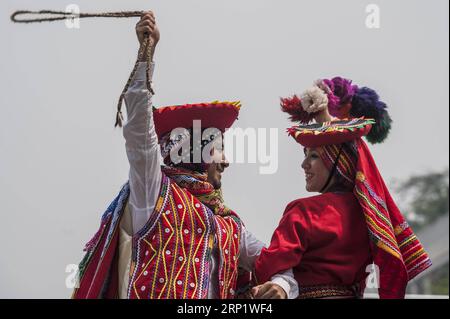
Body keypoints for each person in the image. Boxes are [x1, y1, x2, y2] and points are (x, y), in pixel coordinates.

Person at [72, 11, 297, 299]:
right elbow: (139, 134)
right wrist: (146, 55)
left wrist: (280, 286)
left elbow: (279, 265)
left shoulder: (231, 227)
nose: (226, 161)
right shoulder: (153, 194)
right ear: (195, 151)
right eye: (219, 150)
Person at [253, 77, 431, 299]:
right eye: (305, 155)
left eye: (314, 156)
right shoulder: (371, 219)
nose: (304, 164)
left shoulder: (303, 211)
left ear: (339, 163)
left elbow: (268, 265)